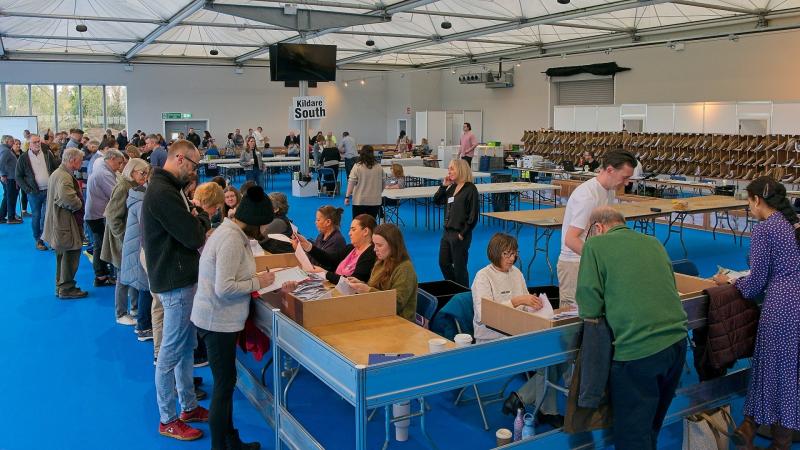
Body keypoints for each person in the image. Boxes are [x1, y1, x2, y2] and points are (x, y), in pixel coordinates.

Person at [577, 206, 688, 450]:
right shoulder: (653, 242)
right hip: (677, 343)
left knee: (632, 435)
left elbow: (589, 305)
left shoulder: (596, 246)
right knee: (651, 425)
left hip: (638, 351)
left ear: (598, 228)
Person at [712, 177, 800, 450]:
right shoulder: (792, 225)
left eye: (748, 202)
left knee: (770, 368)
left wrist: (730, 282)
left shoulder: (765, 229)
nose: (748, 208)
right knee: (790, 370)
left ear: (757, 200)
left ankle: (755, 427)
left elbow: (756, 282)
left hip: (781, 304)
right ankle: (776, 437)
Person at [191, 186, 275, 450]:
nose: (263, 231)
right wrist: (257, 281)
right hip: (217, 321)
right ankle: (220, 445)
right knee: (224, 388)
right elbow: (224, 288)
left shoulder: (231, 233)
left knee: (225, 385)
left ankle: (230, 439)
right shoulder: (230, 239)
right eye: (261, 226)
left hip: (220, 320)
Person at [142, 139, 211, 441]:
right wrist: (203, 216)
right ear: (181, 159)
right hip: (174, 281)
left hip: (177, 277)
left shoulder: (167, 189)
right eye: (194, 166)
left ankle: (189, 406)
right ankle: (168, 418)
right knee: (170, 353)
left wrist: (194, 217)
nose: (194, 173)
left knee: (185, 348)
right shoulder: (163, 193)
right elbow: (193, 235)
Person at [558, 150, 636, 310]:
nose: (627, 183)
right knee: (572, 318)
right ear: (609, 170)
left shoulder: (609, 191)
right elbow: (571, 239)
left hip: (588, 260)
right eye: (625, 177)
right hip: (574, 263)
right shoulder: (587, 196)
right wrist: (599, 258)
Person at [102, 158, 151, 325]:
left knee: (134, 273)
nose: (145, 176)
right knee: (122, 277)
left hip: (130, 239)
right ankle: (120, 312)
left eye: (146, 173)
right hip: (121, 240)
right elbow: (111, 215)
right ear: (131, 172)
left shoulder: (131, 186)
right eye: (142, 173)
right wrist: (125, 237)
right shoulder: (123, 187)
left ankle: (134, 307)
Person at [472, 233, 543, 343]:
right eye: (507, 254)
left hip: (517, 332)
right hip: (491, 338)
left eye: (514, 254)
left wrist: (532, 304)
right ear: (495, 253)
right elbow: (485, 315)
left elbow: (525, 305)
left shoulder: (516, 272)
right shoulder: (483, 276)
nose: (512, 258)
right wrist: (517, 301)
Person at [346, 223, 418, 322]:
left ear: (393, 245)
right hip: (380, 315)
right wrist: (360, 284)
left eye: (379, 245)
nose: (375, 249)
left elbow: (396, 304)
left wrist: (367, 290)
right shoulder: (381, 262)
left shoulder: (405, 269)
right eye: (374, 244)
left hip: (400, 322)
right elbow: (376, 289)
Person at [42, 148, 87, 299]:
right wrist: (79, 203)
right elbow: (67, 199)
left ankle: (61, 285)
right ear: (72, 160)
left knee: (62, 255)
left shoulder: (58, 173)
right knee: (70, 254)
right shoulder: (64, 177)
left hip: (59, 222)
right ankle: (67, 287)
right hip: (65, 222)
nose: (82, 163)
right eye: (80, 160)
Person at [433, 159, 480, 287]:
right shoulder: (452, 187)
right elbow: (437, 200)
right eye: (449, 168)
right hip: (447, 233)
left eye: (452, 168)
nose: (449, 171)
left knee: (460, 267)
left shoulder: (470, 189)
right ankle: (454, 287)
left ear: (461, 169)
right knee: (443, 263)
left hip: (460, 234)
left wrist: (463, 233)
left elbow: (473, 215)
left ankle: (463, 292)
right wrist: (443, 186)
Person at [295, 214, 376, 284]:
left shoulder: (370, 253)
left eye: (353, 229)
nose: (349, 233)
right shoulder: (350, 248)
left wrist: (325, 274)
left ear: (365, 231)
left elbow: (353, 282)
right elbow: (330, 260)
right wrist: (308, 245)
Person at [119, 178, 154, 342]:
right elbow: (147, 227)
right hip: (140, 250)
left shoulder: (138, 197)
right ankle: (144, 327)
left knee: (143, 288)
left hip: (136, 248)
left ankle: (142, 323)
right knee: (146, 288)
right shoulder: (142, 202)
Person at [85, 150, 125, 287]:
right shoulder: (105, 174)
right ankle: (101, 276)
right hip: (98, 215)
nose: (119, 167)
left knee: (99, 245)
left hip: (94, 213)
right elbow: (116, 194)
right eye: (119, 163)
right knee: (101, 246)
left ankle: (101, 274)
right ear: (112, 159)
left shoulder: (101, 166)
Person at [16, 134, 58, 249]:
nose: (37, 144)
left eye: (38, 141)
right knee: (37, 216)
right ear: (29, 144)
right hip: (34, 193)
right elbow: (18, 176)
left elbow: (55, 168)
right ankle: (38, 240)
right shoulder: (23, 158)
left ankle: (48, 238)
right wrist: (27, 189)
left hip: (48, 191)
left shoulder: (47, 154)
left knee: (47, 216)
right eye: (34, 142)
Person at [345, 145, 383, 219]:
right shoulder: (379, 167)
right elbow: (383, 183)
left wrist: (347, 196)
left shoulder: (357, 167)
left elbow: (351, 182)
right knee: (371, 224)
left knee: (358, 224)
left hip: (359, 201)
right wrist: (378, 192)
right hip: (375, 200)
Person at [0, 135, 22, 224]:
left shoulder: (3, 149)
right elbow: (0, 163)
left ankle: (1, 217)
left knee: (7, 197)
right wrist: (3, 174)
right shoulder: (6, 151)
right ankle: (11, 218)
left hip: (9, 176)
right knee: (11, 197)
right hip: (10, 177)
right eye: (11, 141)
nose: (13, 143)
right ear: (6, 141)